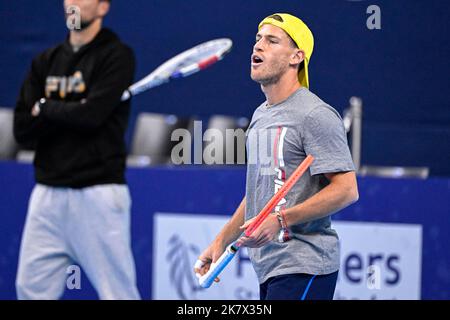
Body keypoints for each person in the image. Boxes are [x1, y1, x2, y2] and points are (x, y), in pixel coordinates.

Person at [195, 13, 359, 300]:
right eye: (258, 39)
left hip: (305, 266)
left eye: (272, 41)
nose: (258, 46)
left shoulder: (315, 114)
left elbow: (346, 191)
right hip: (270, 267)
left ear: (297, 57)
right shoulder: (261, 115)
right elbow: (260, 191)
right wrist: (222, 240)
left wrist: (282, 220)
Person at [13, 0, 140, 299]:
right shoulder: (45, 61)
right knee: (29, 291)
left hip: (97, 194)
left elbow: (92, 117)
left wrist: (45, 107)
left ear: (103, 7)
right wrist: (71, 111)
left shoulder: (117, 56)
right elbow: (22, 131)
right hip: (46, 196)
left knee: (117, 293)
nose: (72, 3)